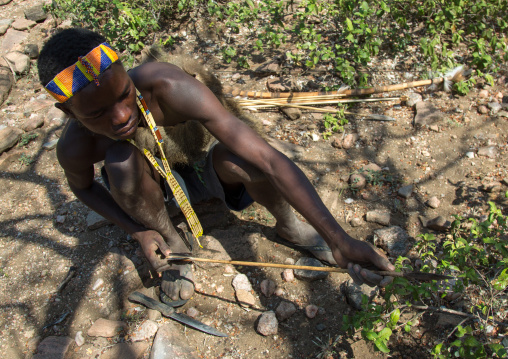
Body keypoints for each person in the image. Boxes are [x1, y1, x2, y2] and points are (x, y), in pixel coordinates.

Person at [38, 28, 394, 303]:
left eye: (123, 94)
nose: (121, 116)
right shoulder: (75, 147)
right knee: (120, 160)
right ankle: (173, 244)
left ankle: (289, 227)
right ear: (68, 112)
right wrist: (138, 231)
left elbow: (266, 159)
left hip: (205, 169)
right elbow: (82, 187)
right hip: (155, 193)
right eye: (97, 113)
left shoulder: (168, 86)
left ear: (127, 75)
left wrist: (339, 239)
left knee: (241, 155)